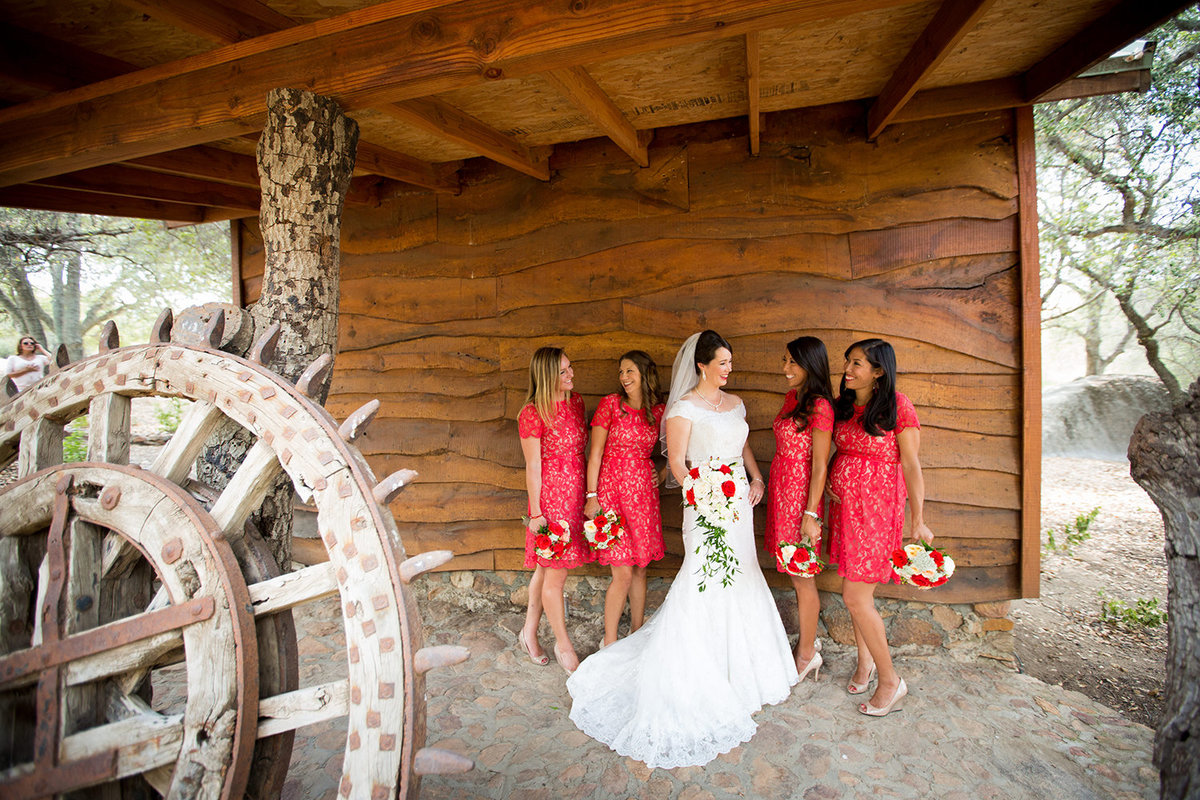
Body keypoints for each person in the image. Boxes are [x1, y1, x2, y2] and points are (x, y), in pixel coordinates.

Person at [567, 330, 798, 769]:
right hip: (705, 500)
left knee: (743, 572)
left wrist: (756, 478)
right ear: (702, 365)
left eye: (731, 362)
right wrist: (702, 493)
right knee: (704, 575)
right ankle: (699, 663)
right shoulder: (684, 407)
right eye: (723, 363)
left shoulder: (737, 404)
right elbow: (676, 461)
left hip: (739, 503)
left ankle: (746, 667)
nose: (729, 369)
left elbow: (743, 444)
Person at [827, 338, 933, 717]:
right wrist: (830, 483)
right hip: (846, 512)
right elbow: (841, 451)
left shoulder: (897, 406)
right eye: (847, 361)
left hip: (876, 512)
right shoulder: (846, 406)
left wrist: (918, 519)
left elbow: (911, 465)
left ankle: (891, 680)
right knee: (857, 596)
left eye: (857, 364)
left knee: (856, 596)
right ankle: (865, 662)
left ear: (878, 371)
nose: (848, 369)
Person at [518, 347, 593, 673]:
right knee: (555, 576)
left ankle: (528, 633)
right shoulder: (532, 413)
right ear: (548, 376)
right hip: (551, 501)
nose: (571, 374)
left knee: (545, 569)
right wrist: (536, 514)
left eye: (570, 367)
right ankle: (563, 645)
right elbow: (533, 466)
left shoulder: (576, 403)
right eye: (564, 371)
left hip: (576, 493)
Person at [584, 351, 666, 647]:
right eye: (621, 372)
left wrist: (665, 471)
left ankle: (637, 633)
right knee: (622, 572)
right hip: (612, 493)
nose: (624, 377)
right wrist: (592, 497)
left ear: (645, 374)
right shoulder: (610, 405)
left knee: (641, 568)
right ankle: (609, 641)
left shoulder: (658, 412)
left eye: (630, 371)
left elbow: (680, 446)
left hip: (643, 496)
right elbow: (595, 455)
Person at [764, 336, 834, 682]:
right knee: (794, 574)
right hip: (782, 491)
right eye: (785, 361)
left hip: (802, 497)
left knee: (802, 578)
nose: (786, 368)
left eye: (793, 362)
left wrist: (810, 514)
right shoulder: (793, 399)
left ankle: (807, 654)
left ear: (810, 365)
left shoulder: (820, 406)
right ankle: (806, 649)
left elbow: (820, 465)